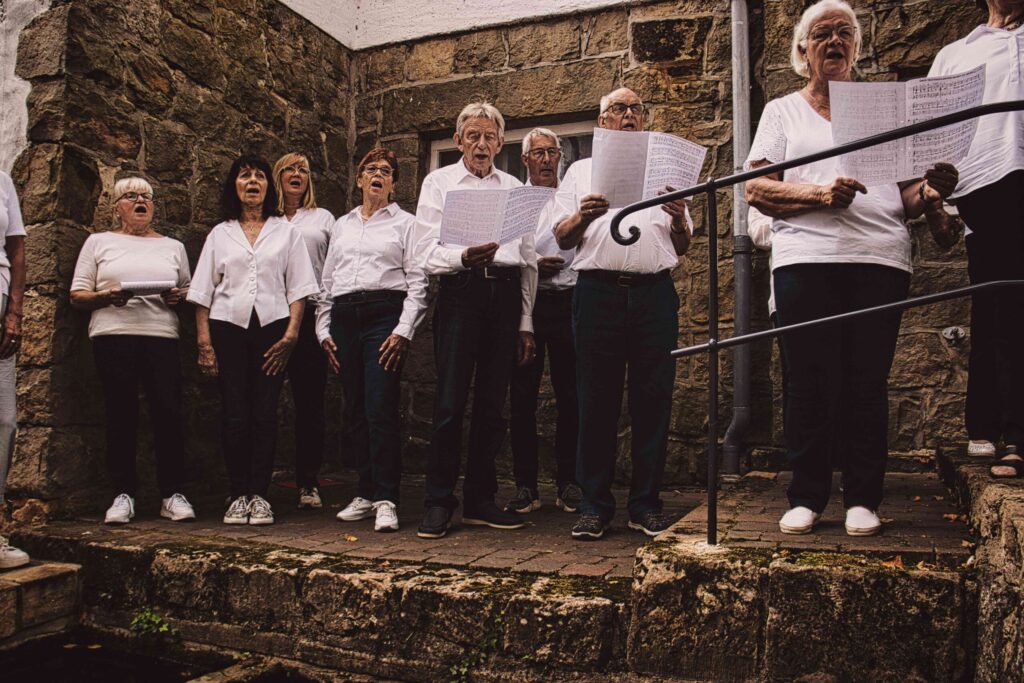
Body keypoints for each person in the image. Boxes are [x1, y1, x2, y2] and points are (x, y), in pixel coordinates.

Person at [745, 0, 959, 536]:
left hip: (878, 258)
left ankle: (863, 498)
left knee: (867, 380)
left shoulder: (885, 110)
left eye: (844, 32)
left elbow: (906, 196)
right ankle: (807, 495)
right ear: (803, 48)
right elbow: (757, 189)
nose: (834, 41)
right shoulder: (782, 111)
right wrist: (820, 194)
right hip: (806, 258)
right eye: (822, 33)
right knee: (808, 381)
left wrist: (931, 190)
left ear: (856, 46)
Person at [553, 87, 693, 541]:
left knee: (654, 400)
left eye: (636, 108)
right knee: (596, 401)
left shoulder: (666, 169)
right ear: (603, 121)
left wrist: (678, 217)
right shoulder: (581, 170)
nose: (629, 115)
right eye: (619, 108)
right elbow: (562, 237)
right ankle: (594, 506)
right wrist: (583, 215)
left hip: (654, 295)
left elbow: (682, 245)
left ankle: (645, 505)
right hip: (598, 294)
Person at [414, 101, 538, 539]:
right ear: (459, 140)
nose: (481, 144)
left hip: (503, 295)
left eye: (489, 137)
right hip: (461, 291)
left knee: (492, 404)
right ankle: (438, 501)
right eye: (473, 136)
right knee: (449, 402)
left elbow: (528, 259)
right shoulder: (439, 183)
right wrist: (463, 256)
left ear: (501, 143)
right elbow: (424, 252)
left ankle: (480, 500)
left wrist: (526, 322)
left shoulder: (515, 187)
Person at [188, 155, 319, 526]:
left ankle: (260, 494)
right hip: (227, 328)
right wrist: (204, 343)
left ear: (268, 187)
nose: (252, 182)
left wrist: (292, 334)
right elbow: (202, 292)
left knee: (265, 411)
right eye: (244, 176)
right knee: (234, 412)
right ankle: (238, 494)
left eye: (259, 176)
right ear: (235, 186)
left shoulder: (286, 232)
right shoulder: (220, 234)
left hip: (272, 329)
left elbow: (299, 288)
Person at [929, 0, 1024, 479]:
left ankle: (1002, 430)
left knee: (1007, 310)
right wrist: (938, 206)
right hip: (985, 190)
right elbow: (933, 136)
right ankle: (995, 427)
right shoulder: (956, 54)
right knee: (996, 310)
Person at [70, 177, 194, 526]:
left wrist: (178, 296)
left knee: (168, 412)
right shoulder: (99, 242)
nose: (141, 201)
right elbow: (77, 295)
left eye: (147, 197)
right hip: (114, 335)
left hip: (161, 335)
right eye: (131, 196)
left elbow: (188, 289)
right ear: (117, 208)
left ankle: (172, 493)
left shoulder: (173, 246)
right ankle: (122, 494)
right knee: (120, 413)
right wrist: (106, 297)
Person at [318, 148, 428, 532]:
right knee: (355, 407)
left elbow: (419, 282)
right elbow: (328, 281)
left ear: (393, 183)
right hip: (345, 317)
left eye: (386, 170)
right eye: (371, 169)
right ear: (359, 179)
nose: (378, 174)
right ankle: (365, 491)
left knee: (380, 404)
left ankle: (386, 498)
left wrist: (403, 330)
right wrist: (322, 329)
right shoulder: (342, 225)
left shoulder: (406, 224)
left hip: (384, 314)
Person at [505, 128, 582, 515]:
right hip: (529, 305)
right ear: (525, 159)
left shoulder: (572, 196)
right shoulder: (515, 200)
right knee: (523, 397)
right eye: (539, 153)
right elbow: (507, 250)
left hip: (569, 300)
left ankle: (569, 482)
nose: (548, 159)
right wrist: (536, 263)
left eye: (553, 152)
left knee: (572, 395)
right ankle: (526, 485)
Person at [272, 153, 334, 509]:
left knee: (310, 402)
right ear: (278, 176)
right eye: (290, 169)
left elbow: (333, 267)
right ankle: (255, 483)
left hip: (311, 313)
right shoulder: (267, 219)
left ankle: (308, 482)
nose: (297, 174)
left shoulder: (322, 218)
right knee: (262, 399)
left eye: (304, 170)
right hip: (270, 312)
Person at [0, 170, 28, 569]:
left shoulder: (3, 181)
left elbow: (18, 249)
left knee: (4, 421)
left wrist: (14, 312)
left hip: (1, 297)